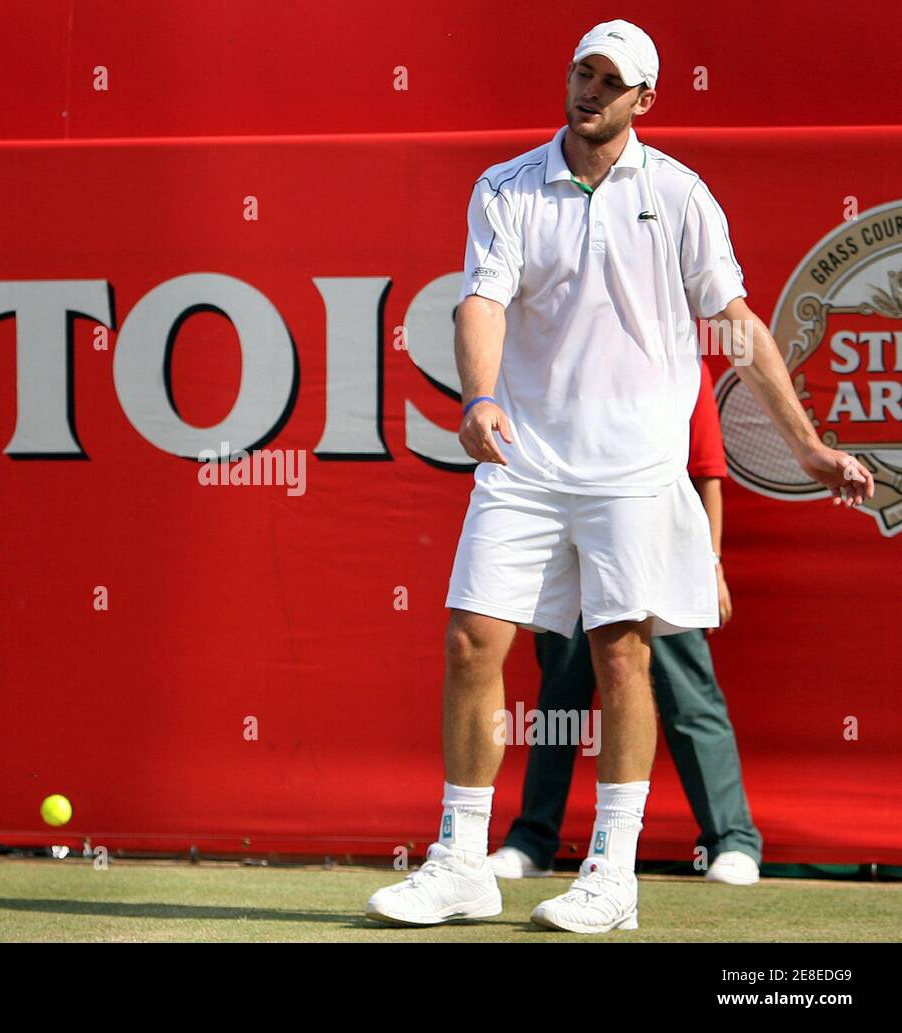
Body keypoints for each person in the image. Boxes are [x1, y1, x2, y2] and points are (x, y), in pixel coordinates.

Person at [366, 18, 871, 933]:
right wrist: (481, 399)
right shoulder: (506, 187)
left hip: (635, 467)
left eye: (610, 80)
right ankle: (462, 861)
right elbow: (482, 302)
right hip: (525, 459)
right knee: (472, 641)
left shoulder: (681, 196)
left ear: (645, 98)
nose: (589, 90)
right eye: (580, 73)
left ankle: (612, 873)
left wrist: (805, 448)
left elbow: (739, 324)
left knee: (623, 653)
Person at [489, 361, 764, 887]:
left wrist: (710, 563)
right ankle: (533, 841)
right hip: (575, 554)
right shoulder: (556, 359)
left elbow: (705, 470)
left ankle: (732, 841)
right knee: (560, 702)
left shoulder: (682, 362)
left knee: (689, 698)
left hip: (662, 552)